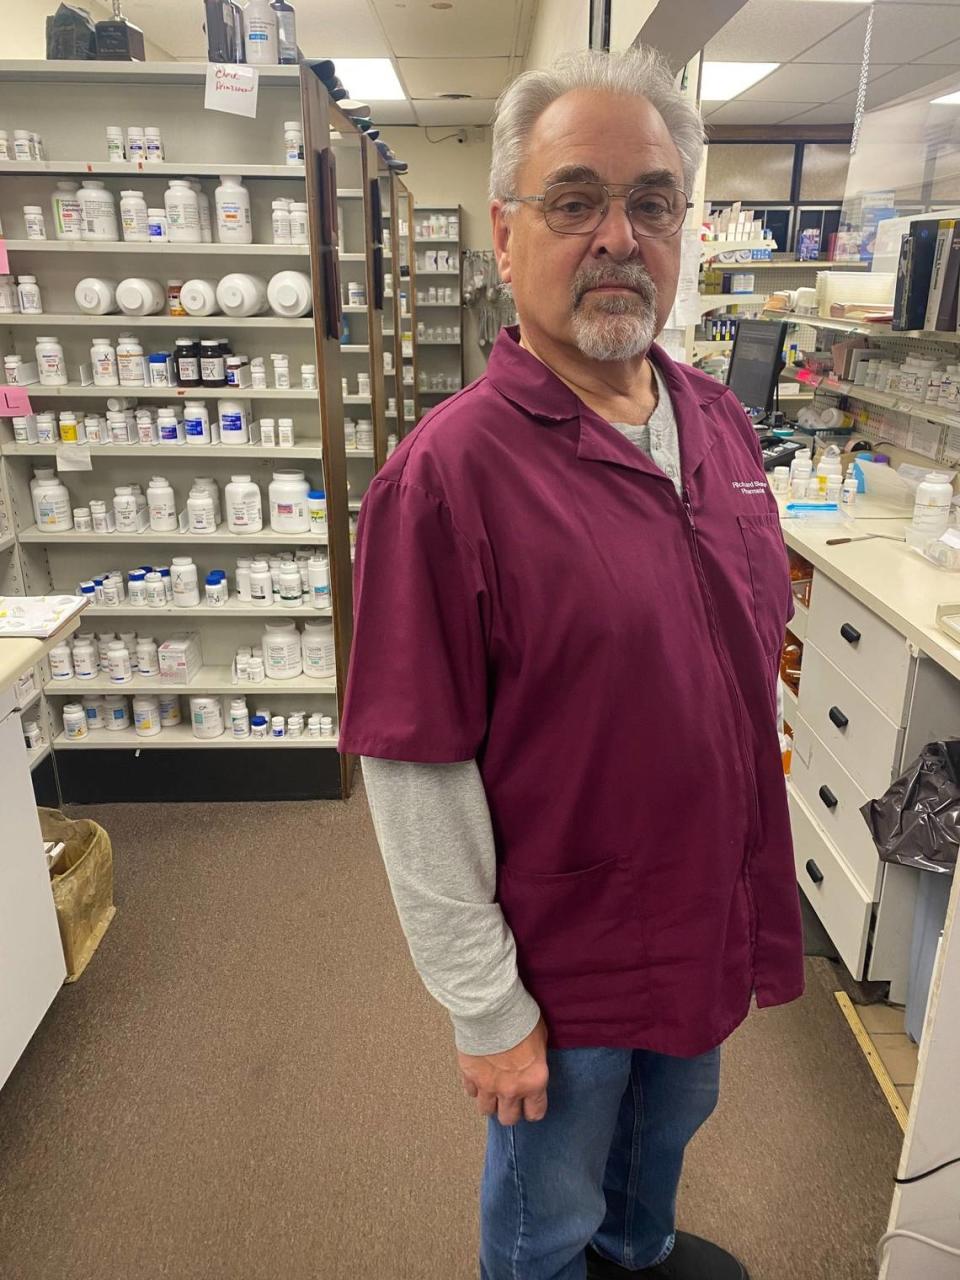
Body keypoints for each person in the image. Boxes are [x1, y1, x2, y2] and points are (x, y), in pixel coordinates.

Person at [338, 46, 804, 1280]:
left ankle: (638, 1250)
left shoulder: (714, 419)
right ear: (504, 234)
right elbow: (413, 765)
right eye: (575, 199)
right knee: (547, 1204)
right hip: (565, 959)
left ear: (683, 228)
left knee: (659, 1158)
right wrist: (487, 1009)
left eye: (651, 202)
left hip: (701, 916)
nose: (617, 234)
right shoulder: (449, 476)